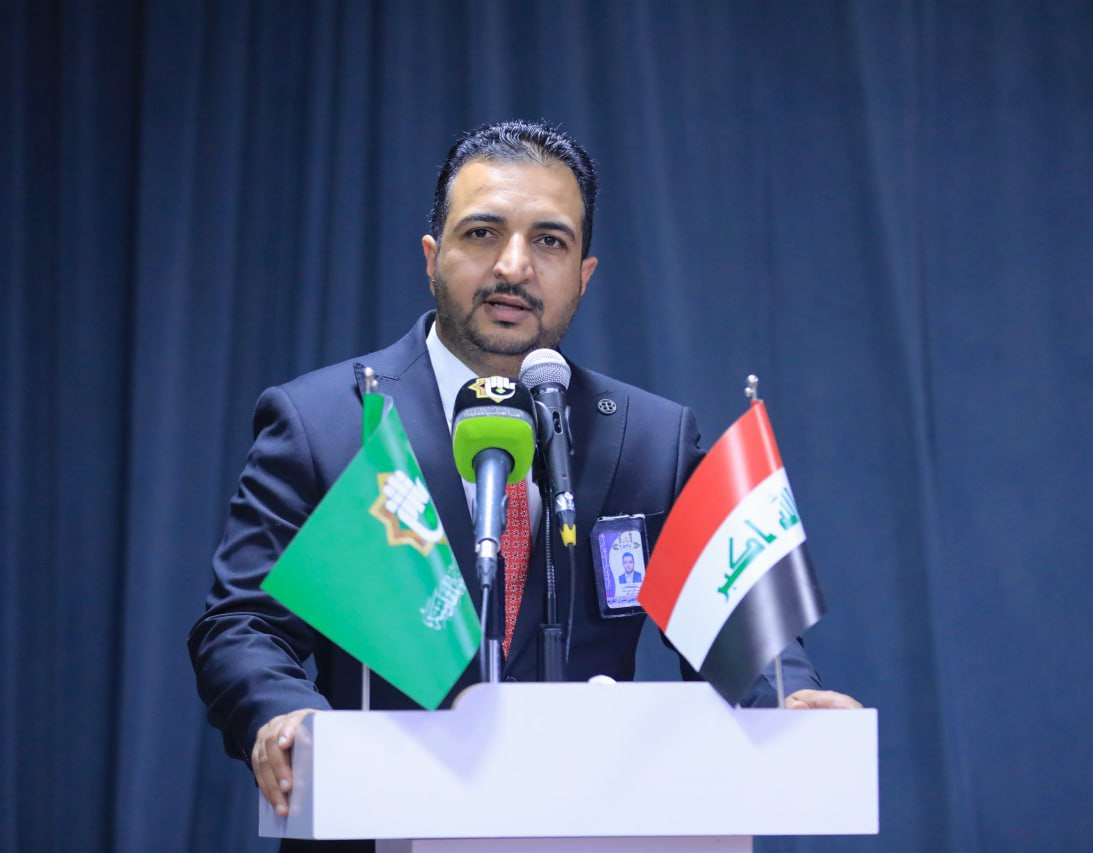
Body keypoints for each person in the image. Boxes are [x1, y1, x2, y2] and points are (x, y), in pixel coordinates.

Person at [188, 120, 858, 833]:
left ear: (584, 275)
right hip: (379, 825)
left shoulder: (648, 440)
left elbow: (729, 621)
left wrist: (787, 703)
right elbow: (241, 625)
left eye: (549, 241)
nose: (514, 266)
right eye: (482, 233)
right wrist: (285, 713)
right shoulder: (329, 422)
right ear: (432, 256)